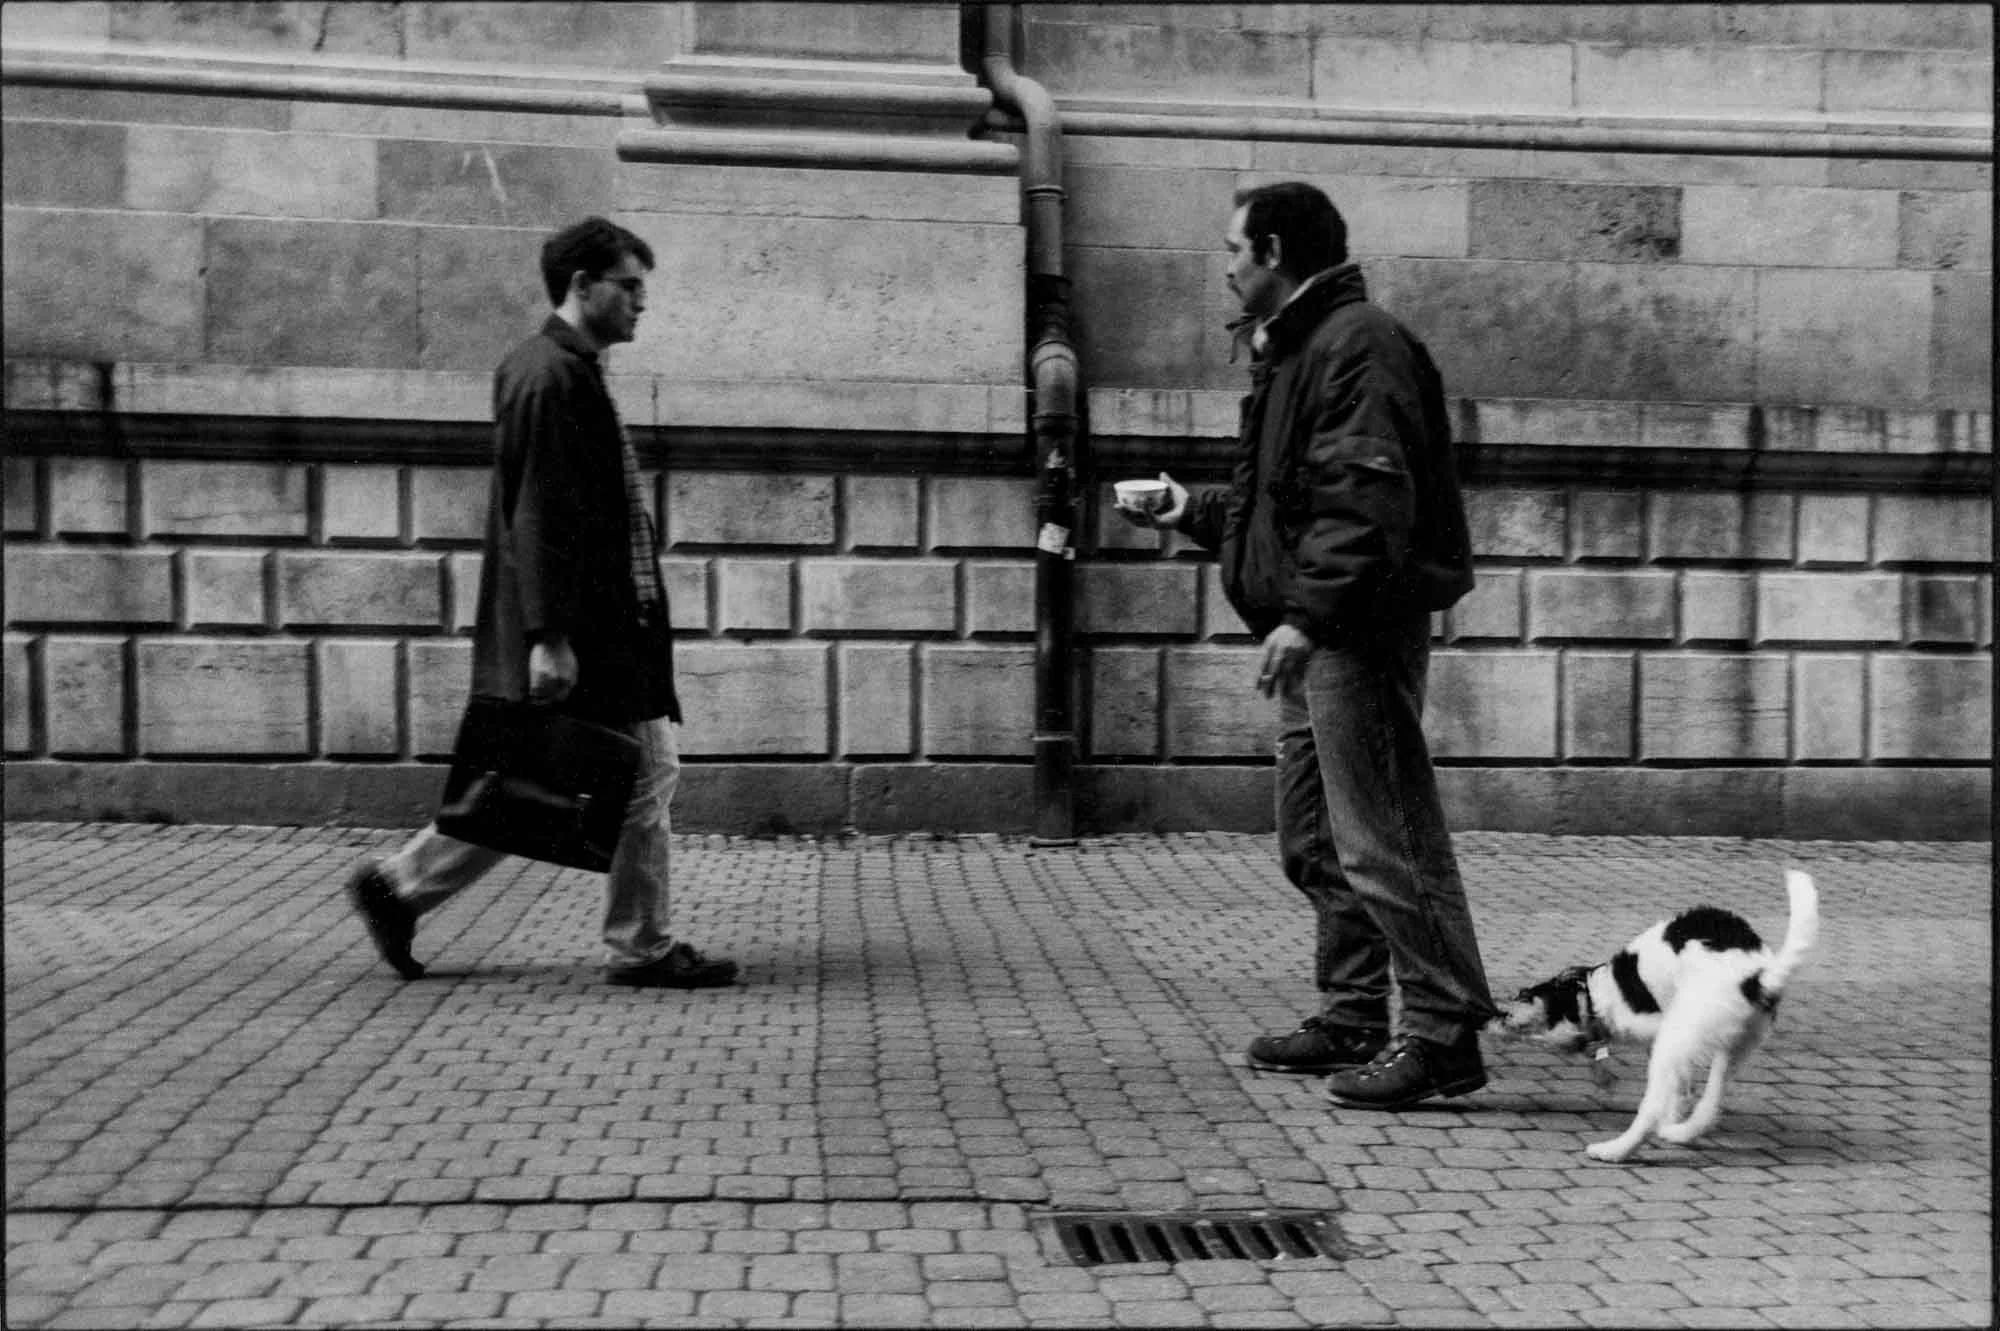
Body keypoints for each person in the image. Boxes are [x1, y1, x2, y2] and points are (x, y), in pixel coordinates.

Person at [1117, 182, 1495, 1108]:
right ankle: (1355, 1015)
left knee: (1385, 839)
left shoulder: (1355, 343)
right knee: (1316, 839)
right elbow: (1287, 506)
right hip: (1322, 622)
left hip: (1352, 627)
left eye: (1234, 248)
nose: (1225, 265)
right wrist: (1186, 510)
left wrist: (1307, 617)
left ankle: (1444, 1036)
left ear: (1276, 251)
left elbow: (1365, 500)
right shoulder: (1299, 349)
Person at [346, 216, 735, 990]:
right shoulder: (549, 375)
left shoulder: (562, 369)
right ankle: (641, 945)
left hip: (600, 627)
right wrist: (549, 636)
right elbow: (538, 515)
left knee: (557, 778)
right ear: (582, 285)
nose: (641, 303)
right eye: (628, 286)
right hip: (583, 631)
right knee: (634, 775)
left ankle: (400, 886)